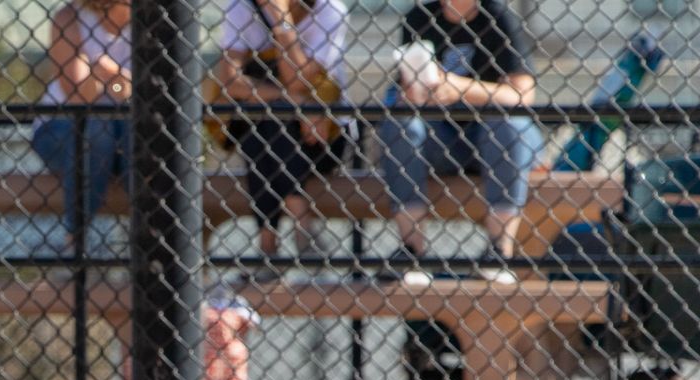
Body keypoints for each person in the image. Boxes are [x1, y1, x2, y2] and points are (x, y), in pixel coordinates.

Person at [379, 0, 539, 284]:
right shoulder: (419, 17)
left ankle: (499, 250)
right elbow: (403, 90)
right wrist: (416, 94)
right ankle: (411, 252)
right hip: (440, 136)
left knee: (507, 125)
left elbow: (522, 96)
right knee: (400, 124)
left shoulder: (498, 16)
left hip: (492, 139)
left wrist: (459, 88)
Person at [215, 0, 351, 279]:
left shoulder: (330, 10)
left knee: (269, 120)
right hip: (268, 125)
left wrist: (281, 20)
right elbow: (230, 81)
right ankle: (301, 226)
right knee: (263, 123)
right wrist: (287, 99)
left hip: (323, 137)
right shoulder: (242, 6)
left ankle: (269, 247)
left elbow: (297, 78)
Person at [29, 0, 130, 254]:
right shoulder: (70, 17)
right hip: (61, 126)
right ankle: (76, 241)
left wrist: (111, 77)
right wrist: (103, 79)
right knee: (97, 130)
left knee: (134, 133)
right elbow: (78, 98)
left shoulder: (149, 21)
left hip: (124, 128)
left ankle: (148, 238)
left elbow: (126, 92)